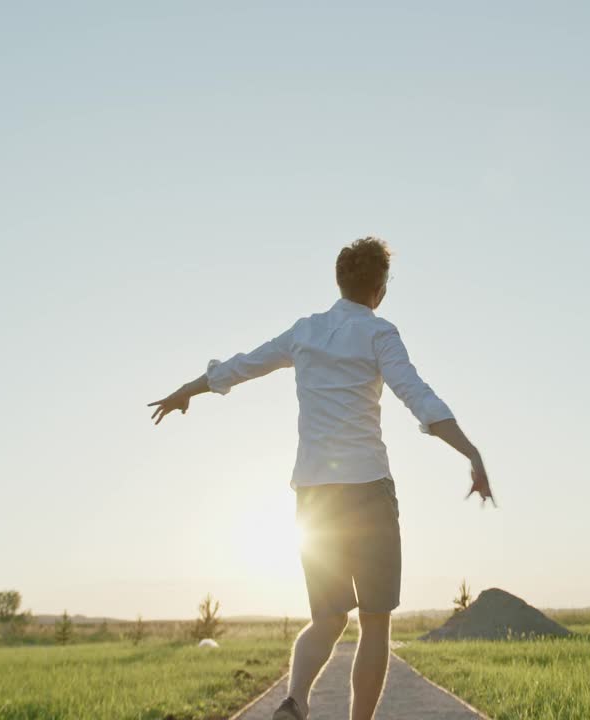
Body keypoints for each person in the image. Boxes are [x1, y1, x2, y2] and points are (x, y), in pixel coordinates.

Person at [147, 237, 493, 720]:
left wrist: (187, 390)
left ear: (339, 280)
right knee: (374, 624)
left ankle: (295, 700)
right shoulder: (380, 334)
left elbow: (242, 366)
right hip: (368, 490)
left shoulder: (304, 332)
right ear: (381, 288)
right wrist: (470, 452)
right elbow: (417, 395)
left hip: (314, 496)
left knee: (327, 618)